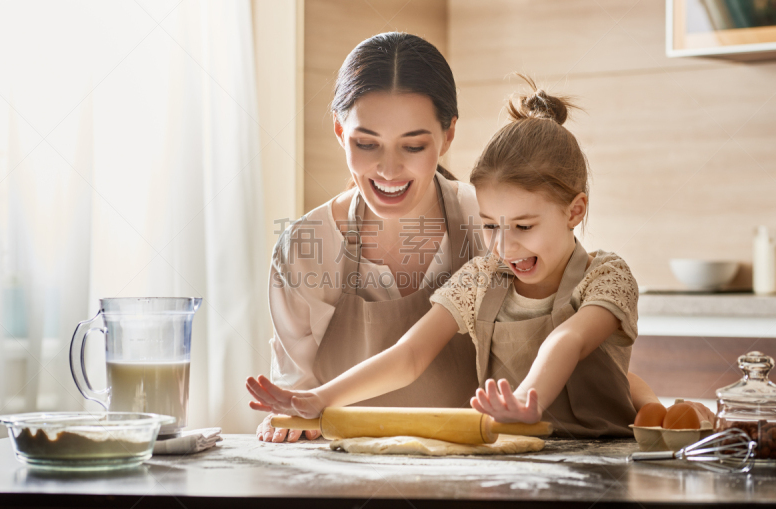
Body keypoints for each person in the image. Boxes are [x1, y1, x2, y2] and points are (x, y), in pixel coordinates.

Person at [248, 75, 714, 437]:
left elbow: (567, 341)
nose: (505, 247)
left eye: (525, 227)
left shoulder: (607, 277)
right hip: (512, 455)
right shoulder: (483, 276)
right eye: (490, 225)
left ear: (575, 211)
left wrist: (527, 399)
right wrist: (319, 399)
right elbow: (410, 354)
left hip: (602, 458)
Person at [260, 32, 486, 442]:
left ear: (448, 135)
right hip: (344, 478)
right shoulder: (306, 248)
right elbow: (299, 396)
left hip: (474, 478)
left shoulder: (486, 223)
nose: (388, 169)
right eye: (367, 143)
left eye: (413, 146)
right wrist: (289, 418)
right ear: (339, 131)